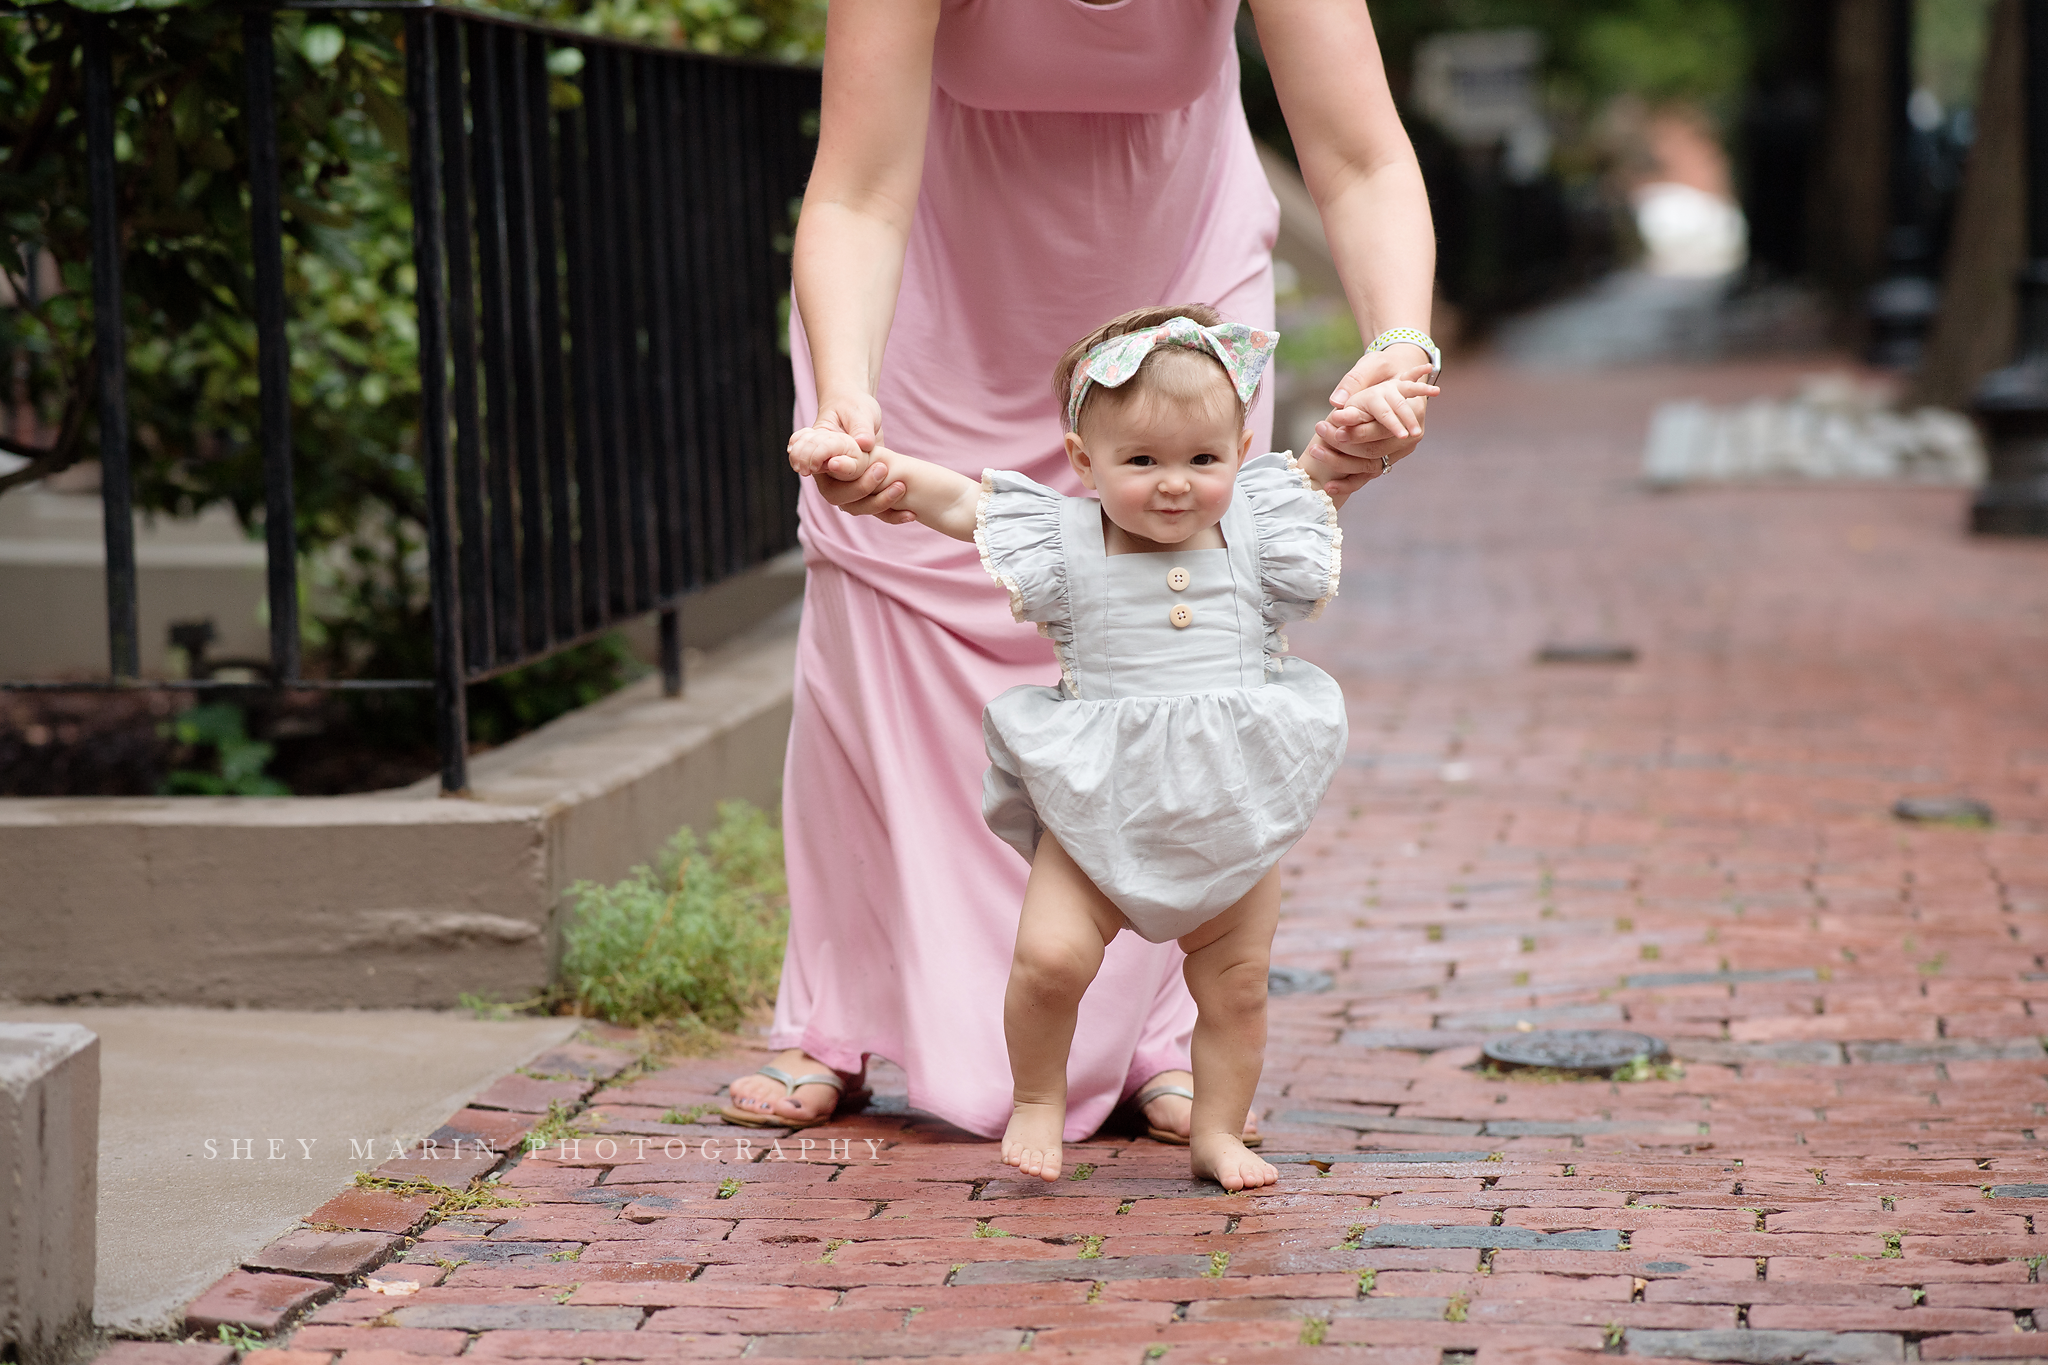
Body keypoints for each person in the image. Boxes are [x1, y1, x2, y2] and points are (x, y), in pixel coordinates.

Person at [722, 0, 1439, 1140]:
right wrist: (849, 383)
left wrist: (1398, 340)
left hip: (1171, 316)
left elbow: (1356, 157)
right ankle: (835, 1019)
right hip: (932, 302)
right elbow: (855, 192)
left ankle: (1155, 1032)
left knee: (1178, 648)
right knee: (876, 620)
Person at [787, 305, 1436, 1187]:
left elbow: (1327, 468)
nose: (1175, 484)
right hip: (1101, 809)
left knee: (1237, 984)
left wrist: (1370, 416)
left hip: (1230, 811)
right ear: (1085, 461)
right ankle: (1039, 1100)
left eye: (1203, 459)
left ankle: (1217, 1131)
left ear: (1241, 452)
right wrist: (872, 465)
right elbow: (956, 500)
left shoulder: (1262, 527)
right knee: (1051, 958)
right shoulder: (1061, 541)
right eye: (1142, 461)